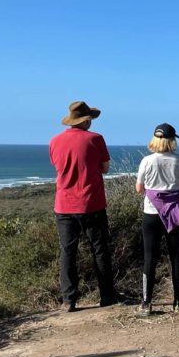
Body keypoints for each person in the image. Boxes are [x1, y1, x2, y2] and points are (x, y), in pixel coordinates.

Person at [49, 100, 119, 312]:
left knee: (68, 252)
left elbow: (58, 167)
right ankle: (107, 296)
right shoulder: (96, 139)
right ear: (86, 120)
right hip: (91, 203)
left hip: (63, 205)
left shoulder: (54, 141)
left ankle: (69, 300)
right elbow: (105, 168)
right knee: (99, 250)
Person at [135, 122, 179, 315]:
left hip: (151, 213)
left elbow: (139, 188)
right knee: (176, 256)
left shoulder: (147, 161)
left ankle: (146, 302)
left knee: (150, 257)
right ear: (172, 140)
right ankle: (177, 301)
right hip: (175, 213)